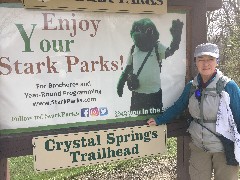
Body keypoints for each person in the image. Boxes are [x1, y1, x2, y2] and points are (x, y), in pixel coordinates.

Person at [147, 43, 240, 180]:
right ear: (195, 62)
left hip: (224, 149)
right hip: (199, 147)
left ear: (217, 62)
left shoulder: (228, 86)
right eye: (201, 59)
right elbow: (179, 106)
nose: (205, 64)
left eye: (210, 59)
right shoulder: (192, 86)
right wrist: (159, 119)